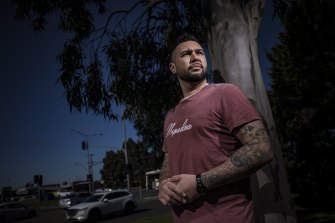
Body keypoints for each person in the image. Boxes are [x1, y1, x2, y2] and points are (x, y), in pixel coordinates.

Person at [158, 33, 273, 223]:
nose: (195, 57)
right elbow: (168, 159)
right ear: (172, 68)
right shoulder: (170, 116)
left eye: (200, 53)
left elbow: (261, 148)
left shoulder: (224, 93)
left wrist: (200, 183)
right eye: (186, 54)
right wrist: (163, 184)